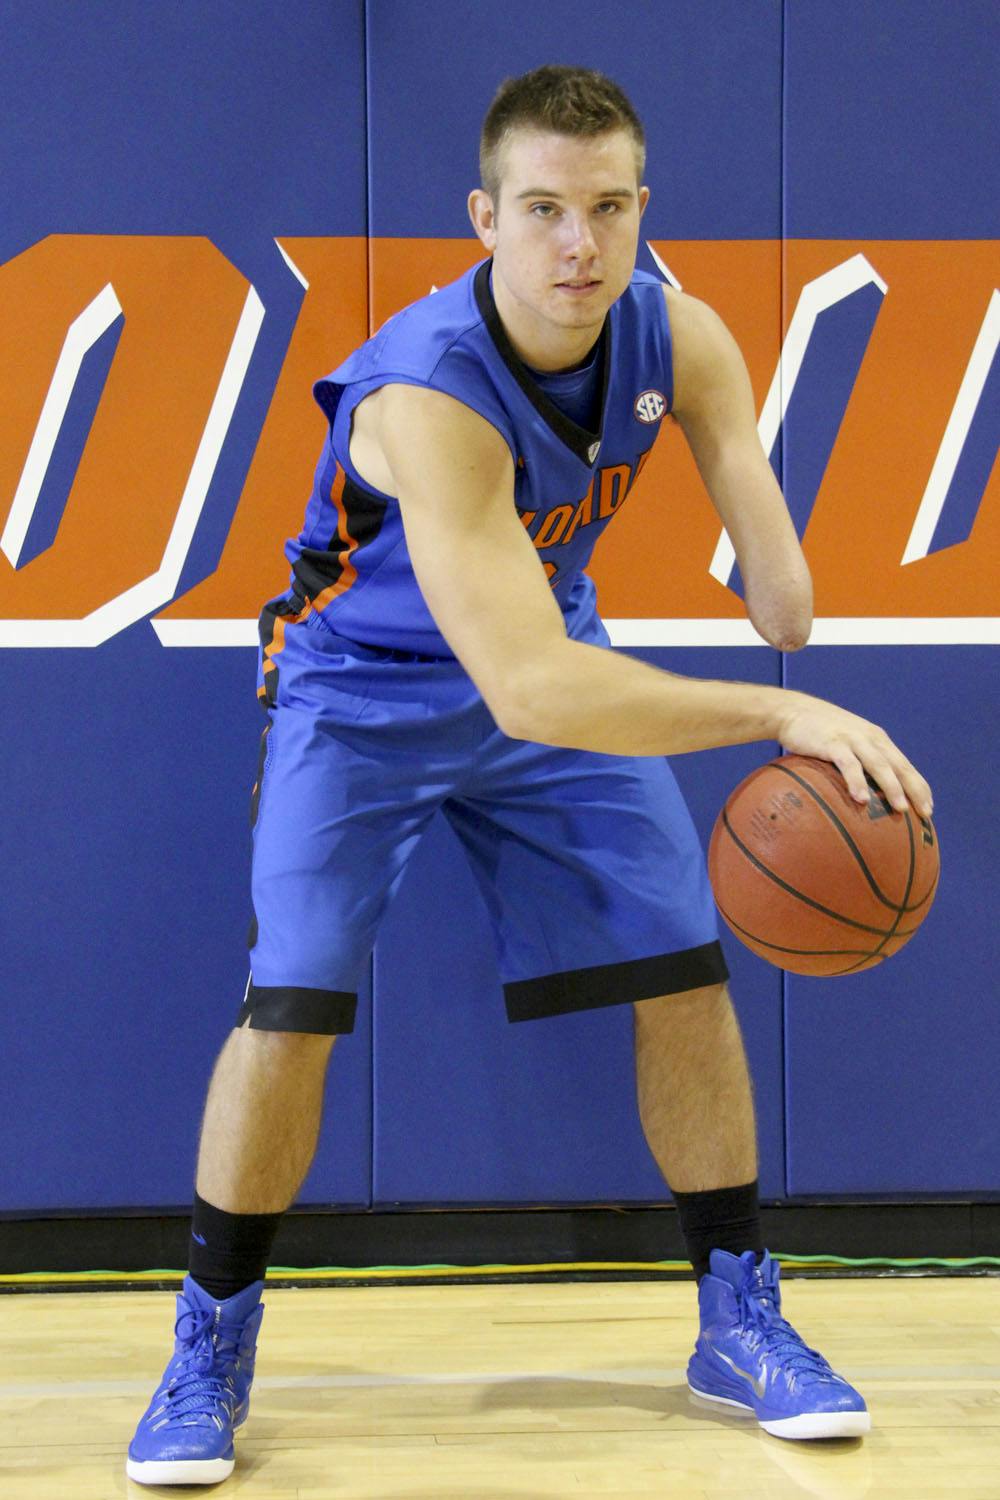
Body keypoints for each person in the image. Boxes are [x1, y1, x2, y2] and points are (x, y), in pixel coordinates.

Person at [126, 65, 932, 1485]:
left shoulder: (678, 338)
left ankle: (738, 1321)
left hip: (543, 654)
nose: (580, 243)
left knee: (681, 973)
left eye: (609, 208)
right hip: (365, 694)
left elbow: (785, 599)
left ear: (640, 212)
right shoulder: (428, 391)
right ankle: (210, 1339)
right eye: (546, 210)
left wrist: (773, 568)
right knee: (292, 1005)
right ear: (484, 218)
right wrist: (777, 716)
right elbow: (534, 690)